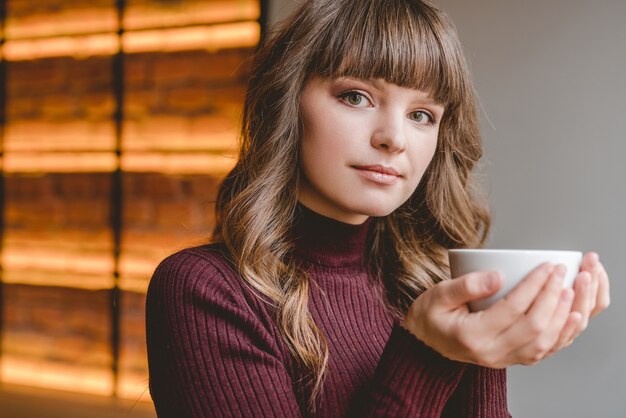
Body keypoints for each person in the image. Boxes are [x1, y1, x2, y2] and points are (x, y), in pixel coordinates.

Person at [145, 0, 610, 417]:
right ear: (286, 103)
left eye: (421, 115)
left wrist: (485, 345)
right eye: (356, 97)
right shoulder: (204, 291)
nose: (394, 138)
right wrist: (430, 352)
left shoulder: (429, 289)